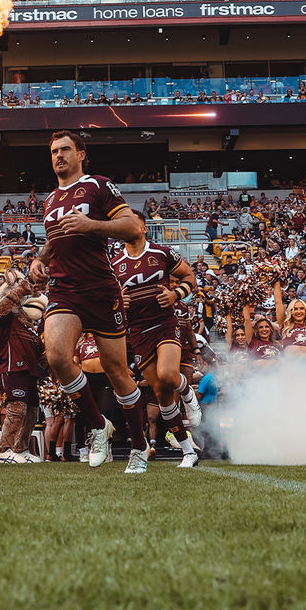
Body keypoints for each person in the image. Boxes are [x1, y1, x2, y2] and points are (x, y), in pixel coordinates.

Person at [29, 131, 148, 472]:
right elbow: (57, 240)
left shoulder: (99, 185)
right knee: (56, 356)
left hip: (100, 289)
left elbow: (131, 228)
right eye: (53, 151)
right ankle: (97, 427)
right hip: (64, 290)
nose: (58, 156)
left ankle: (139, 445)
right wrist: (40, 258)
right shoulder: (50, 199)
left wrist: (90, 224)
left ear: (82, 154)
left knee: (117, 372)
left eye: (65, 149)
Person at [114, 210, 201, 468]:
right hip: (138, 331)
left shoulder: (161, 252)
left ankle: (187, 393)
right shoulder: (114, 262)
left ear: (142, 228)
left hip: (165, 323)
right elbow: (110, 299)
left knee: (167, 375)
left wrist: (176, 295)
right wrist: (119, 300)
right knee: (162, 395)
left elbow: (190, 278)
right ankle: (188, 451)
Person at [0, 270, 47, 464]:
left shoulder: (32, 329)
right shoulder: (6, 321)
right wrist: (22, 287)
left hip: (30, 374)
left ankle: (20, 449)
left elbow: (42, 357)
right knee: (17, 409)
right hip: (12, 370)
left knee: (32, 412)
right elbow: (1, 308)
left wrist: (60, 372)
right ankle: (1, 450)